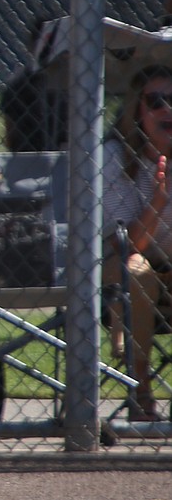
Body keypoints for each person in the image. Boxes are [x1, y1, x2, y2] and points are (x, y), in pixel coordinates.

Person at [102, 64, 172, 422]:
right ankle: (139, 388)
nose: (166, 110)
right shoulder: (117, 158)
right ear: (137, 109)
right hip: (123, 269)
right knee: (138, 270)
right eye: (156, 100)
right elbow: (128, 244)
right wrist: (158, 199)